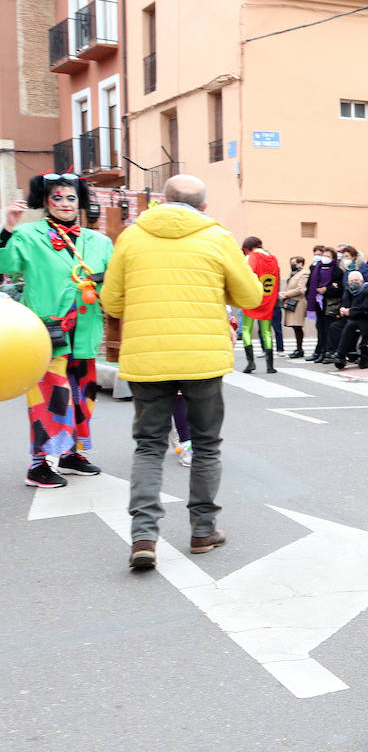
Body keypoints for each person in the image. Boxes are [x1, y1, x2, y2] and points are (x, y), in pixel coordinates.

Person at [99, 174, 262, 569]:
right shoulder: (218, 237)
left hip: (147, 359)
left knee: (149, 446)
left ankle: (143, 537)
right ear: (203, 207)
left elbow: (111, 301)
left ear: (161, 201)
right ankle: (203, 530)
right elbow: (250, 296)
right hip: (202, 360)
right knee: (206, 444)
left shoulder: (131, 238)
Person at [2, 173, 113, 488]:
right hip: (46, 333)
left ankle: (71, 454)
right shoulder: (28, 235)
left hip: (87, 330)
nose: (65, 204)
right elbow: (3, 263)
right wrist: (8, 226)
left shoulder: (99, 241)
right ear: (46, 202)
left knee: (82, 396)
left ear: (80, 202)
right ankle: (38, 464)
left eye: (71, 198)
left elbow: (116, 283)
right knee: (50, 396)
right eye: (58, 198)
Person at [239, 236, 280, 374]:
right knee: (267, 332)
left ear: (248, 248)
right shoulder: (273, 259)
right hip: (268, 299)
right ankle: (270, 366)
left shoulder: (251, 257)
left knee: (246, 330)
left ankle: (250, 363)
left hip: (252, 299)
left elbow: (245, 277)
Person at [307, 245, 344, 363]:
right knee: (320, 328)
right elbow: (310, 285)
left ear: (333, 258)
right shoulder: (316, 268)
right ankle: (320, 351)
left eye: (328, 256)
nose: (324, 258)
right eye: (324, 255)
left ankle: (328, 352)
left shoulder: (337, 271)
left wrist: (326, 290)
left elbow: (339, 289)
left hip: (330, 304)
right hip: (317, 302)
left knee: (329, 328)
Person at [333, 270, 368, 370]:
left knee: (351, 325)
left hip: (365, 318)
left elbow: (366, 307)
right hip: (351, 318)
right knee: (334, 327)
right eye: (351, 280)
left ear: (362, 281)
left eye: (356, 280)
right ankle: (337, 352)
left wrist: (350, 311)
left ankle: (341, 354)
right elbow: (345, 304)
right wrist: (343, 309)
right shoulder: (348, 291)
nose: (353, 282)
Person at [280, 255, 309, 358]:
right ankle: (298, 348)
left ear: (300, 263)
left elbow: (301, 289)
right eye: (291, 262)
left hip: (299, 302)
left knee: (297, 326)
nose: (292, 264)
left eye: (294, 262)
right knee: (294, 326)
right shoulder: (293, 274)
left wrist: (285, 294)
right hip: (292, 302)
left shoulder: (304, 274)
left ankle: (299, 349)